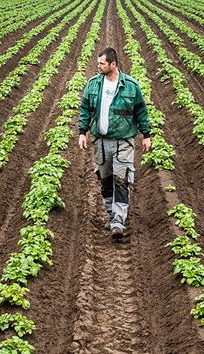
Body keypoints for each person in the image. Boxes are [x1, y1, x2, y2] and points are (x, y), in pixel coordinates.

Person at [78, 47, 151, 241]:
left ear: (113, 64)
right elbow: (85, 109)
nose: (98, 66)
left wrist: (146, 135)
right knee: (105, 181)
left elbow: (141, 112)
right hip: (101, 142)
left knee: (121, 180)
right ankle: (112, 216)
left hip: (124, 142)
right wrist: (82, 133)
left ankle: (119, 222)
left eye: (102, 63)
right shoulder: (93, 84)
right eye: (98, 63)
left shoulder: (131, 86)